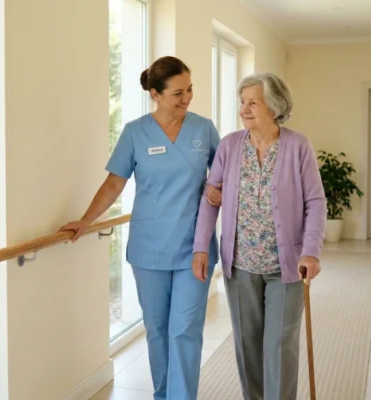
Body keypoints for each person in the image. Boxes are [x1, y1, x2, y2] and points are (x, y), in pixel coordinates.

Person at [58, 56, 221, 400]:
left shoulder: (204, 129)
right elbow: (114, 184)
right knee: (158, 331)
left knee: (185, 331)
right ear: (155, 94)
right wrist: (86, 221)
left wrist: (220, 193)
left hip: (197, 248)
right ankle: (163, 394)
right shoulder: (135, 132)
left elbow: (226, 177)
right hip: (149, 249)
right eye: (178, 92)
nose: (187, 97)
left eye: (189, 89)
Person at [192, 72, 327, 400]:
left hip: (288, 265)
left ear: (275, 107)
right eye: (242, 102)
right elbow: (211, 197)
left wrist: (311, 251)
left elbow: (316, 201)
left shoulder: (297, 146)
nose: (244, 108)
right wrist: (201, 248)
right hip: (240, 265)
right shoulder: (230, 145)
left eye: (253, 102)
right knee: (247, 342)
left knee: (279, 343)